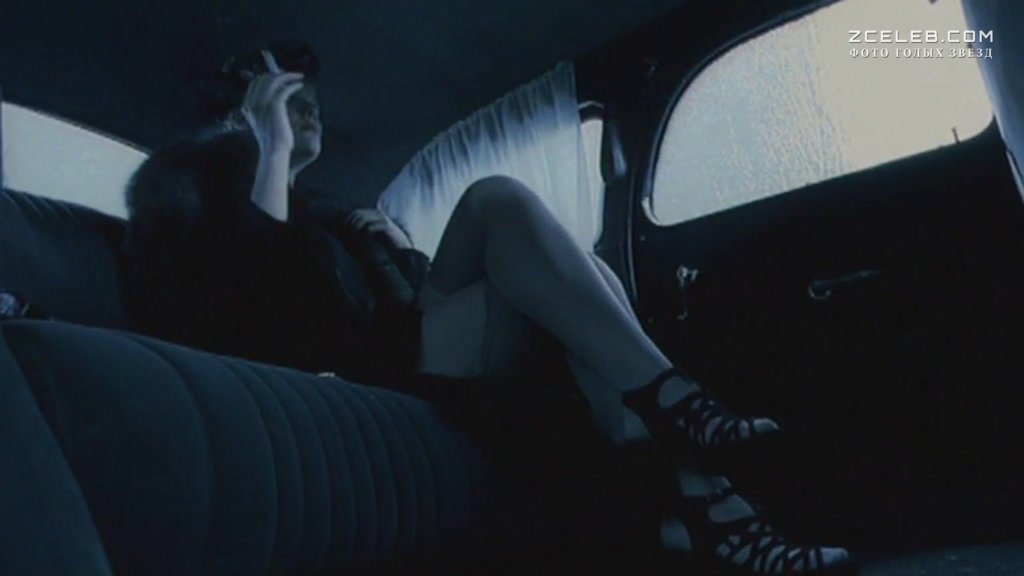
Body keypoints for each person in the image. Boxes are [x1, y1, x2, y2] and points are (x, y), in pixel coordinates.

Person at [122, 42, 856, 575]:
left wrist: (392, 247)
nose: (305, 104)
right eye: (283, 96)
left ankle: (693, 482)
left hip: (408, 344)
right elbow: (257, 321)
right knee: (496, 199)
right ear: (237, 112)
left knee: (584, 261)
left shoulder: (329, 214)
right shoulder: (186, 191)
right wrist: (273, 153)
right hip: (368, 372)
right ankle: (687, 438)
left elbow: (382, 296)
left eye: (308, 100)